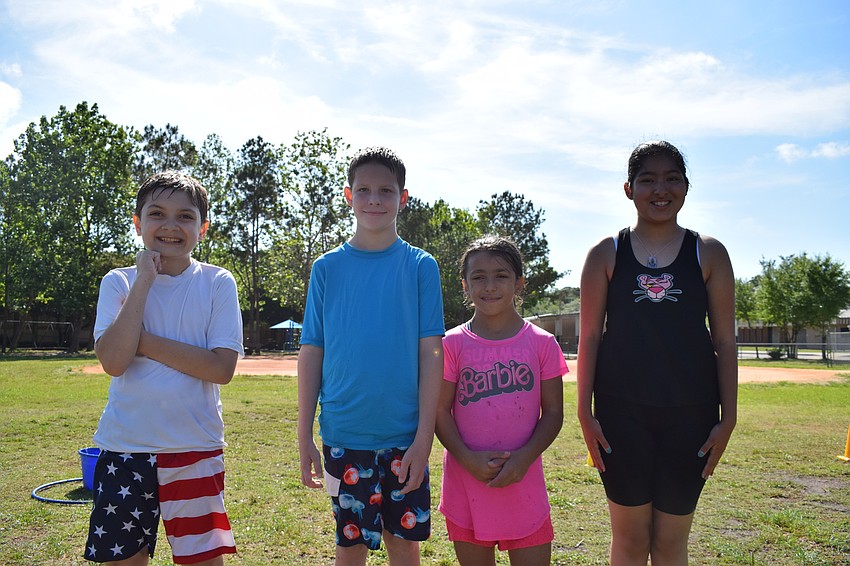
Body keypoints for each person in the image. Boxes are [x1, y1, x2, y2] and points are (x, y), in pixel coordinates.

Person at [577, 141, 737, 565]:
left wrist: (729, 418)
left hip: (692, 416)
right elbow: (589, 338)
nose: (659, 189)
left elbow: (724, 341)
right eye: (647, 179)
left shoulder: (709, 253)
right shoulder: (605, 254)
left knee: (670, 542)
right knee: (629, 541)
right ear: (628, 189)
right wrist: (584, 412)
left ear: (686, 187)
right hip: (619, 415)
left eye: (671, 178)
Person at [84, 171, 244, 565]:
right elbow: (114, 361)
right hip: (125, 448)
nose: (171, 226)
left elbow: (220, 368)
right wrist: (144, 282)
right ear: (138, 223)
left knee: (201, 560)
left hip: (194, 447)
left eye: (185, 217)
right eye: (157, 213)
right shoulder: (118, 282)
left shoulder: (217, 282)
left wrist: (142, 339)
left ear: (202, 228)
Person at [297, 146, 445, 565]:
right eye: (364, 190)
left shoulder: (420, 266)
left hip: (404, 437)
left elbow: (432, 353)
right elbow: (312, 350)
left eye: (386, 190)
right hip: (345, 434)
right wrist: (304, 431)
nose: (375, 199)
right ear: (348, 196)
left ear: (404, 197)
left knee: (403, 544)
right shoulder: (327, 268)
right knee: (351, 545)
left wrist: (423, 437)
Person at [436, 235, 566, 566]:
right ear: (464, 285)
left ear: (520, 282)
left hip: (523, 484)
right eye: (478, 277)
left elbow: (552, 413)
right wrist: (467, 458)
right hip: (467, 482)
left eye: (502, 275)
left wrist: (523, 459)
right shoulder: (451, 344)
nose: (490, 285)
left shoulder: (542, 343)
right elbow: (440, 411)